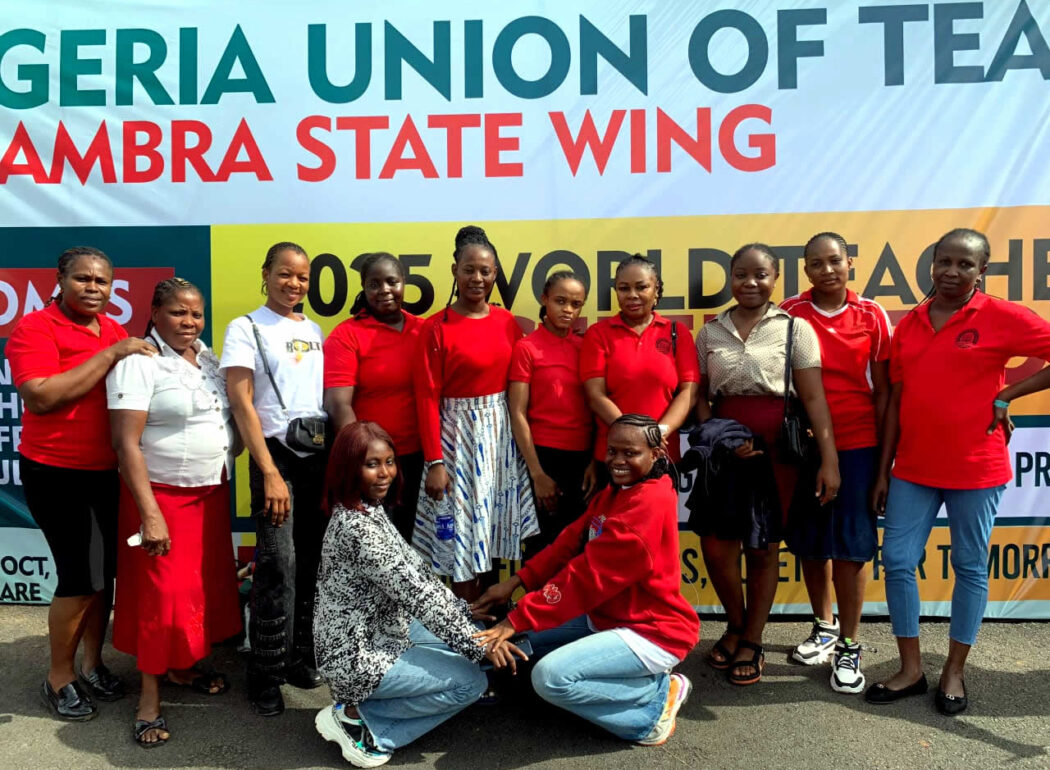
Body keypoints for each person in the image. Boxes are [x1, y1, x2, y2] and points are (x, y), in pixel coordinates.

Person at [865, 228, 1050, 715]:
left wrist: (1008, 394)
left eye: (964, 264)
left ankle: (954, 670)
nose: (952, 271)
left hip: (976, 467)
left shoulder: (1001, 316)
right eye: (944, 262)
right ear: (932, 265)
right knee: (898, 561)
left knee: (969, 566)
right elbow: (896, 401)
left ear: (981, 270)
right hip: (913, 468)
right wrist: (883, 471)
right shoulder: (910, 324)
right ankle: (910, 668)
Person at [472, 414, 700, 746]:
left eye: (630, 453)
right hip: (607, 616)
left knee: (549, 678)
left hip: (651, 631)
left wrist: (516, 618)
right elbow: (570, 540)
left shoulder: (644, 508)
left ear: (655, 454)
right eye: (612, 451)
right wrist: (516, 581)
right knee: (523, 645)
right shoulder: (619, 490)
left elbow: (583, 578)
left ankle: (653, 705)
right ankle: (633, 681)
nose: (617, 461)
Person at [313, 421, 526, 768]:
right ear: (348, 468)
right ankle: (360, 722)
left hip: (386, 629)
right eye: (372, 464)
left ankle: (364, 704)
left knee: (467, 635)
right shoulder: (356, 529)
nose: (385, 473)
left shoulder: (367, 508)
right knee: (470, 682)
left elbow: (419, 578)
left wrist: (463, 613)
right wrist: (479, 644)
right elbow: (418, 596)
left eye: (389, 462)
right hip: (357, 655)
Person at [8, 246, 156, 721]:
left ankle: (92, 664)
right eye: (83, 279)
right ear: (60, 280)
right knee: (80, 577)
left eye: (102, 281)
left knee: (104, 575)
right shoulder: (36, 328)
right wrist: (112, 354)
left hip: (105, 473)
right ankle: (58, 677)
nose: (93, 288)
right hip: (55, 473)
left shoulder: (112, 329)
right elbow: (41, 396)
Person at [692, 243, 840, 686]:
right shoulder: (709, 332)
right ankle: (735, 624)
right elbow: (699, 395)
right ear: (731, 278)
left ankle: (753, 638)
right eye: (741, 274)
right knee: (717, 547)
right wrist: (717, 438)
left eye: (760, 274)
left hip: (776, 454)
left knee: (762, 547)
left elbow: (813, 398)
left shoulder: (796, 329)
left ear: (776, 278)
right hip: (724, 454)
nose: (750, 282)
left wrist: (829, 459)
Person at [108, 278, 242, 747]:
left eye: (196, 313)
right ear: (155, 313)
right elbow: (125, 443)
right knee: (160, 598)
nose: (189, 322)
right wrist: (150, 514)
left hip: (210, 494)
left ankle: (181, 668)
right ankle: (148, 701)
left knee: (199, 590)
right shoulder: (138, 363)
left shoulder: (209, 360)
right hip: (160, 496)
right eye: (178, 312)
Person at [780, 232, 892, 693]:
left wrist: (883, 464)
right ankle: (823, 627)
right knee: (811, 543)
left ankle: (849, 643)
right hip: (803, 447)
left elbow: (883, 391)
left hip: (859, 443)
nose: (826, 270)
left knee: (851, 548)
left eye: (834, 261)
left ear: (850, 263)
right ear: (805, 270)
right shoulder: (789, 312)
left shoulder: (872, 315)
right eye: (816, 263)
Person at [221, 241, 328, 716]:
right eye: (285, 274)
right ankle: (264, 674)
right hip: (273, 459)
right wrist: (268, 472)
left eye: (302, 277)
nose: (294, 284)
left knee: (310, 563)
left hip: (315, 459)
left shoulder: (314, 329)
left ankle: (298, 657)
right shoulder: (245, 327)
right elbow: (241, 402)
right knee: (277, 565)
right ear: (265, 274)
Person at [413, 225, 538, 601]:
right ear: (455, 270)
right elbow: (426, 398)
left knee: (493, 532)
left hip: (500, 440)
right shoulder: (435, 328)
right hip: (456, 442)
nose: (477, 278)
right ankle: (464, 619)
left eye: (485, 271)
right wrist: (435, 462)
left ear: (495, 274)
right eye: (469, 270)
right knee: (462, 539)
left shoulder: (507, 323)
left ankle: (490, 614)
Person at [324, 253, 424, 541]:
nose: (384, 290)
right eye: (374, 284)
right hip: (372, 465)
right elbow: (338, 404)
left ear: (404, 282)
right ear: (363, 288)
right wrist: (363, 460)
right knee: (378, 549)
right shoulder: (347, 335)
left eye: (392, 281)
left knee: (414, 547)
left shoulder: (423, 330)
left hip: (420, 460)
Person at [580, 254, 699, 483]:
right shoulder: (598, 334)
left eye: (641, 287)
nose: (632, 295)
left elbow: (689, 393)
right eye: (624, 288)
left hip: (662, 453)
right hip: (614, 458)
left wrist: (657, 434)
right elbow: (595, 395)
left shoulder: (677, 333)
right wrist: (634, 435)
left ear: (656, 290)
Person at [508, 271, 592, 560]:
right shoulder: (527, 348)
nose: (568, 310)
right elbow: (517, 412)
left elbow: (594, 406)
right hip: (543, 457)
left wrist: (594, 461)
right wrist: (537, 474)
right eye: (560, 301)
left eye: (576, 304)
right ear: (544, 299)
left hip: (582, 462)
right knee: (542, 548)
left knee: (578, 546)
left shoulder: (585, 347)